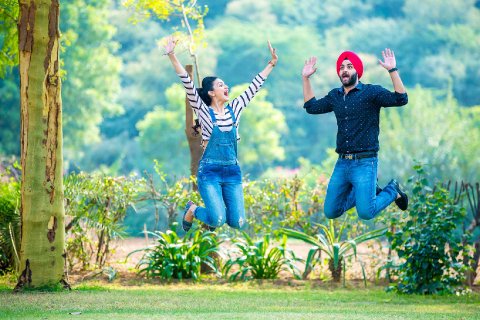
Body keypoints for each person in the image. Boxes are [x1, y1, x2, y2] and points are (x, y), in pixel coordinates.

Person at [163, 36, 278, 231]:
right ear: (211, 92)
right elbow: (187, 82)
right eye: (221, 85)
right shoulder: (202, 110)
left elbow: (254, 87)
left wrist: (271, 64)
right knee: (216, 220)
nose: (226, 87)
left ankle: (211, 213)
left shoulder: (236, 108)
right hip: (210, 172)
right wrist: (172, 55)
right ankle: (193, 209)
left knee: (238, 223)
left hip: (233, 172)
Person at [302, 48, 409, 220]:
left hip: (365, 162)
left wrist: (392, 70)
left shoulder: (371, 92)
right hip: (342, 163)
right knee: (331, 211)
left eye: (350, 66)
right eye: (342, 67)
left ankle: (392, 190)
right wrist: (306, 78)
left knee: (366, 212)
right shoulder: (335, 96)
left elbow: (401, 99)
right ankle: (367, 191)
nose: (345, 70)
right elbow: (311, 107)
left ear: (357, 71)